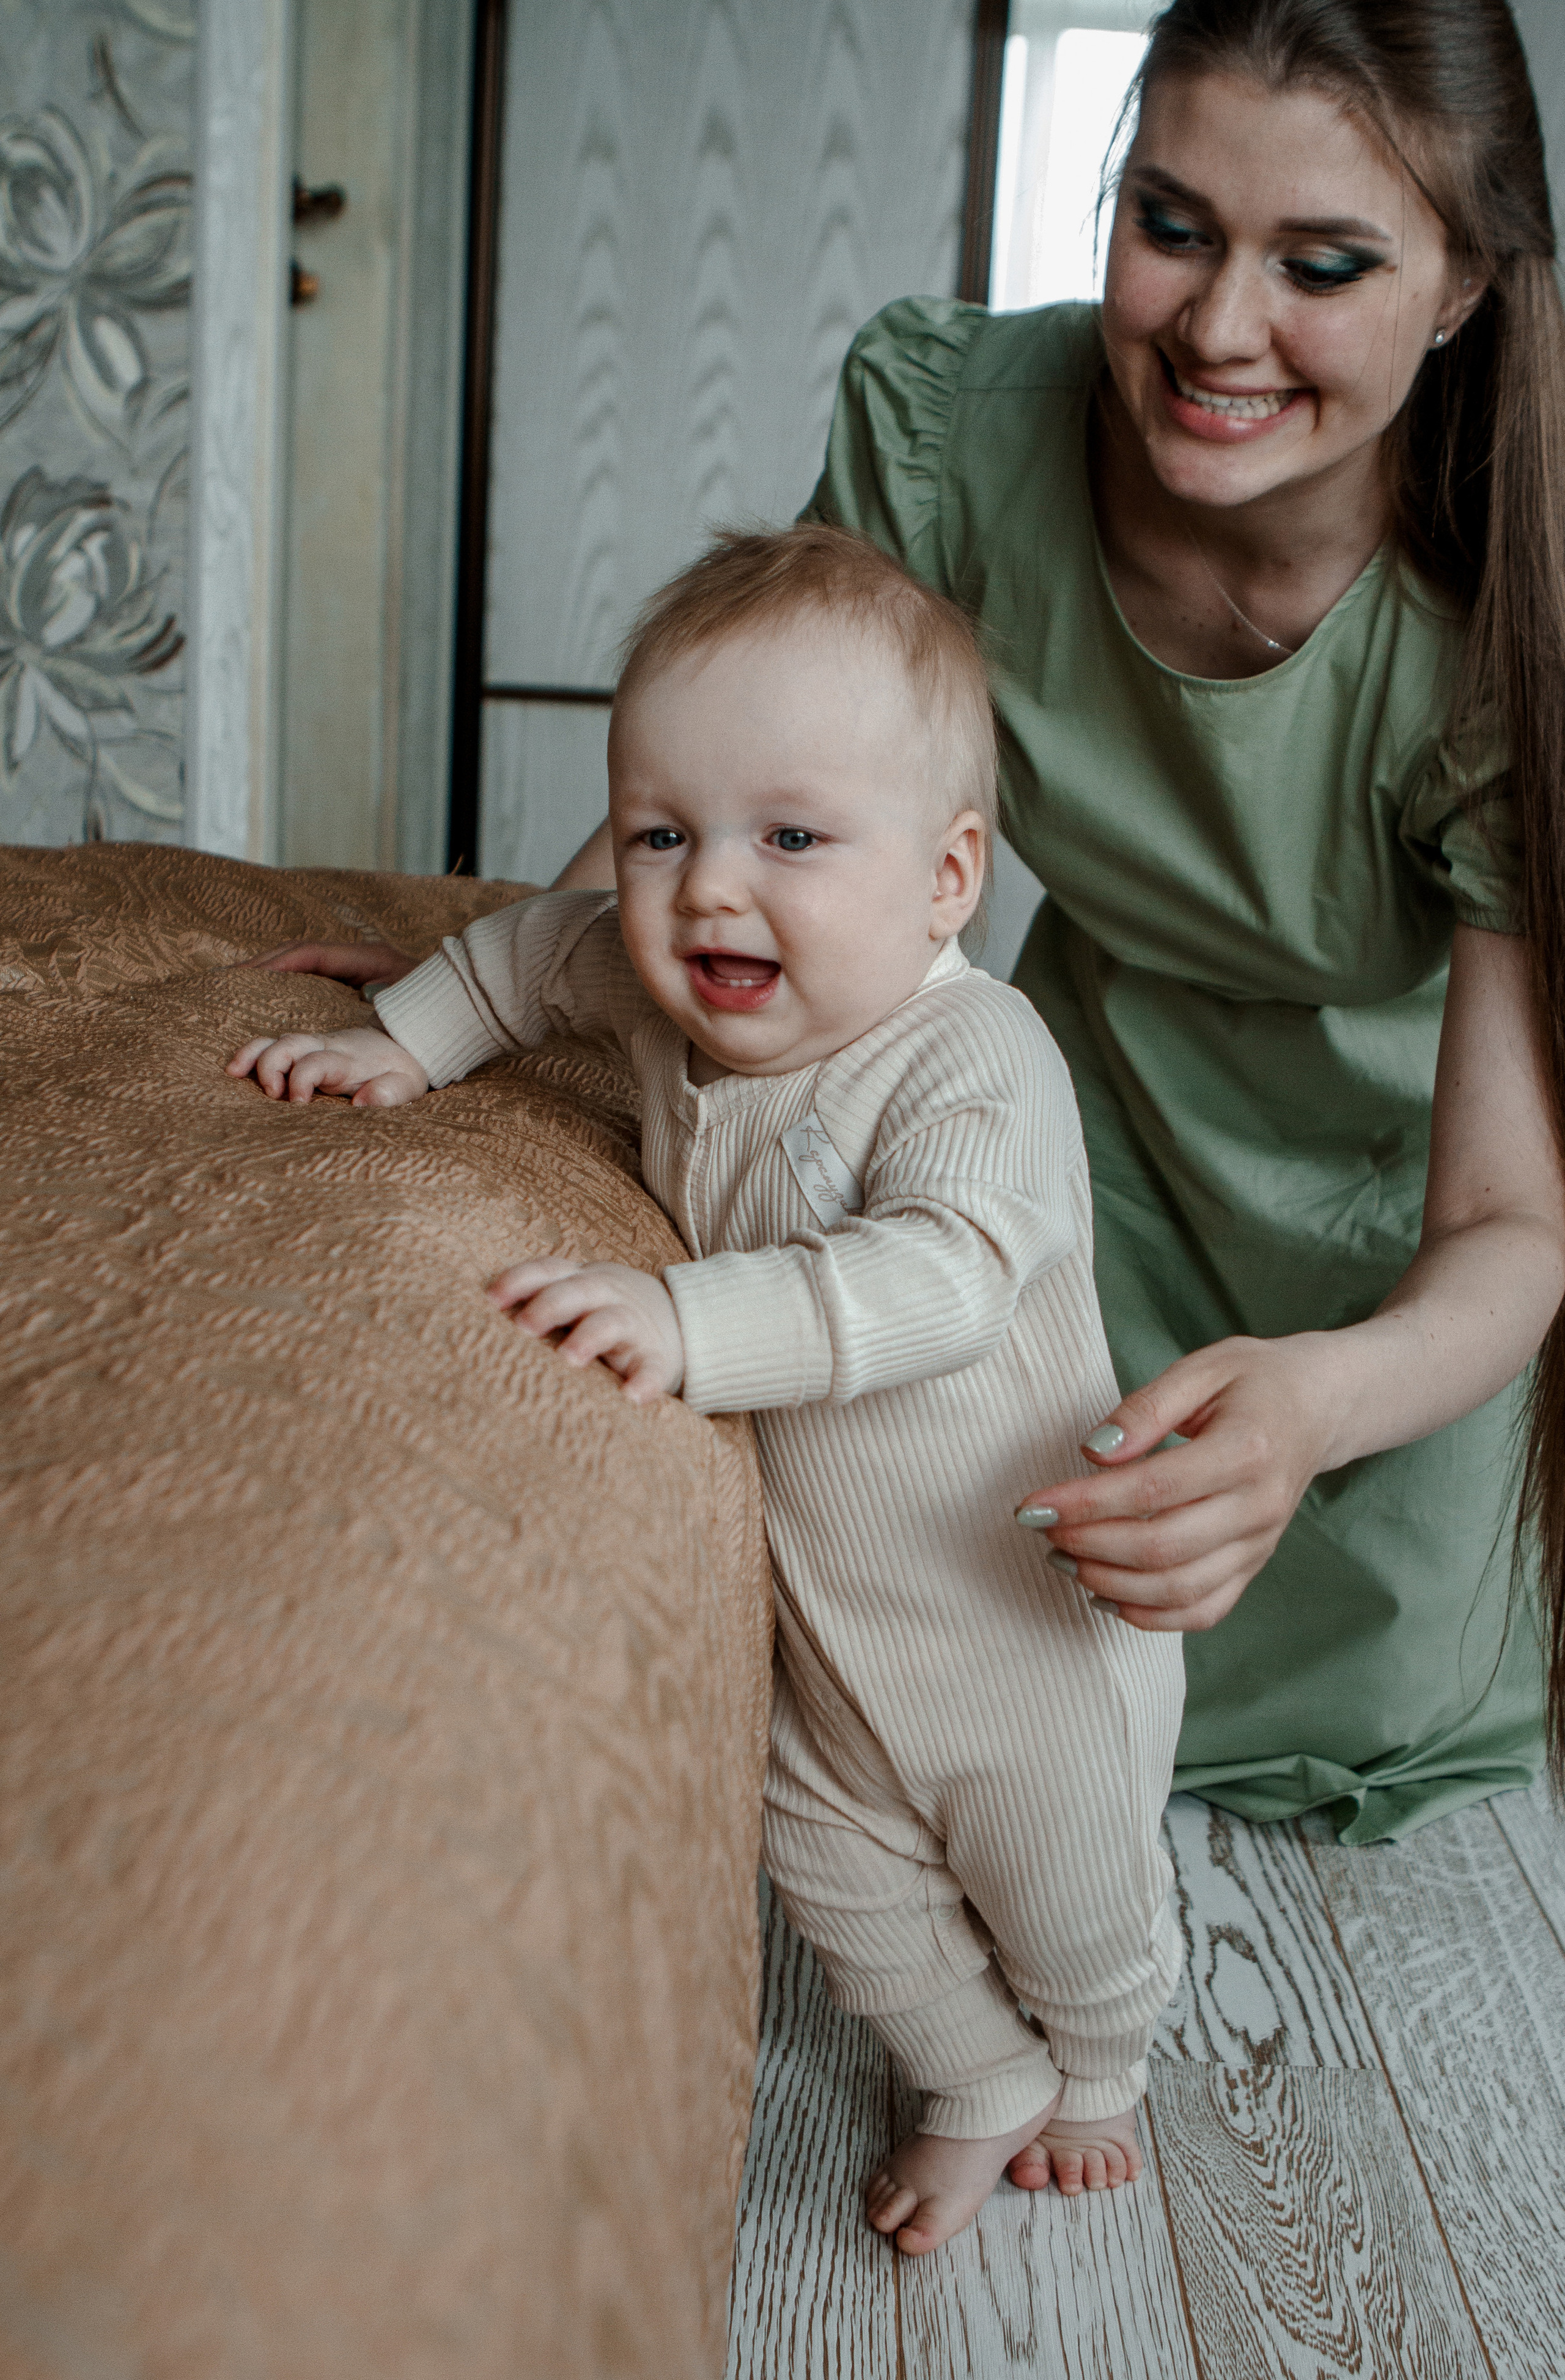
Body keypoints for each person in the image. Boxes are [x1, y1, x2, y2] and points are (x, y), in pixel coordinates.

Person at [547, 0, 1565, 1873]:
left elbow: (1511, 1223)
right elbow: (738, 810)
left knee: (1271, 1751)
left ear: (1467, 287)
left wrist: (1314, 1409)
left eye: (1323, 264)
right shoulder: (949, 427)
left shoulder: (1509, 605)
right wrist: (484, 986)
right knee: (895, 1686)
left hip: (1381, 1288)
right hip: (1048, 1174)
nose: (1218, 327)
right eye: (1172, 223)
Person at [227, 525, 1186, 2255]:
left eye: (793, 839)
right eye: (665, 829)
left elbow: (949, 1277)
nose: (707, 890)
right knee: (822, 1858)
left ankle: (1104, 2059)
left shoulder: (977, 1061)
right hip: (825, 1611)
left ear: (947, 877)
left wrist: (689, 1322)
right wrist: (404, 1045)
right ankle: (976, 2072)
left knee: (1076, 1890)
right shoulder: (669, 989)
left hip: (1023, 1613)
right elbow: (531, 952)